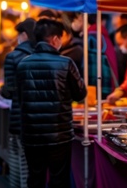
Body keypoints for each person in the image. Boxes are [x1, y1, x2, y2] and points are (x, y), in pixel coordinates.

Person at [17, 19, 87, 188]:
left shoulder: (23, 64)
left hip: (31, 133)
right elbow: (80, 94)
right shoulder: (66, 63)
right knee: (59, 179)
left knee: (35, 177)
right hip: (59, 134)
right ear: (55, 39)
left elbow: (19, 97)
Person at [2, 18, 36, 188]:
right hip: (41, 122)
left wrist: (1, 89)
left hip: (19, 117)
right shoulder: (43, 55)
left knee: (19, 166)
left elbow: (9, 91)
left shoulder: (13, 57)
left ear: (23, 35)